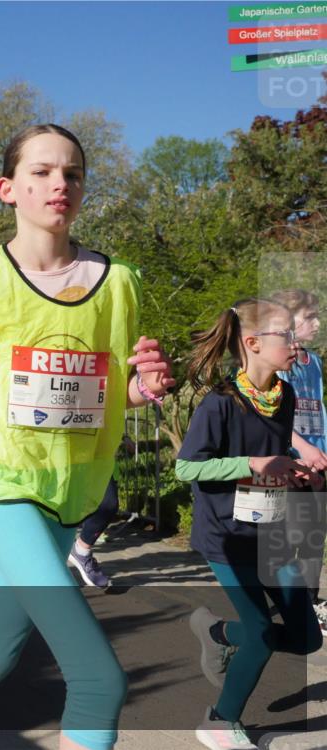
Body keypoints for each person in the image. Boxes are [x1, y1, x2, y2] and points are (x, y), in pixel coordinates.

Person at [0, 124, 175, 750]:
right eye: (41, 172)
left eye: (72, 173)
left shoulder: (119, 281)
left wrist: (145, 387)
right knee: (99, 680)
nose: (59, 184)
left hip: (70, 492)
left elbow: (108, 391)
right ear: (7, 188)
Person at [178, 298, 323, 750]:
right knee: (260, 635)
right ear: (253, 342)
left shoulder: (285, 396)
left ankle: (218, 634)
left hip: (270, 532)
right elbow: (186, 468)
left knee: (306, 639)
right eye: (287, 335)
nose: (296, 344)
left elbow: (273, 455)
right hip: (226, 537)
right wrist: (252, 464)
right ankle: (220, 722)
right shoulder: (219, 403)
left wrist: (294, 469)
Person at [270, 289, 327, 636]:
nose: (317, 323)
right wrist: (302, 451)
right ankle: (279, 600)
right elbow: (277, 416)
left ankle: (309, 603)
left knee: (313, 538)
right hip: (291, 463)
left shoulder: (315, 362)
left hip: (318, 461)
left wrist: (320, 452)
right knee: (289, 534)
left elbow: (317, 409)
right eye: (310, 317)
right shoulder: (280, 361)